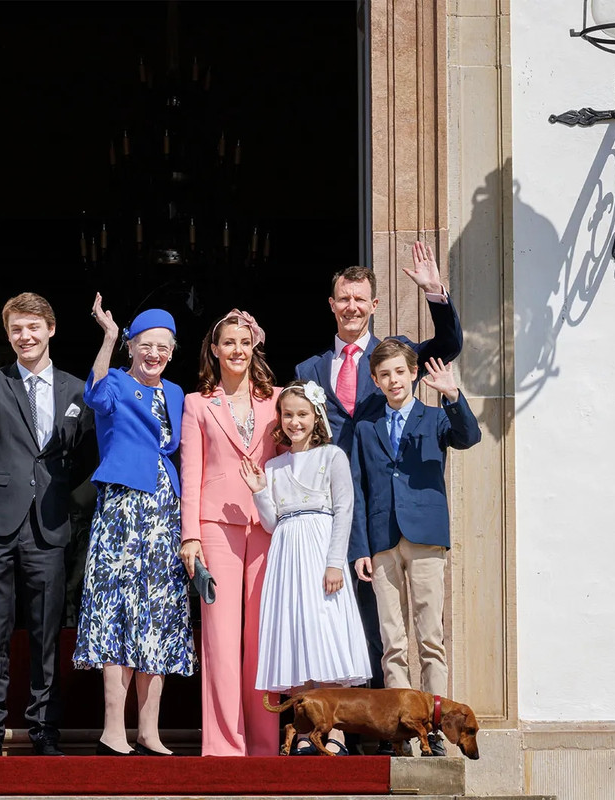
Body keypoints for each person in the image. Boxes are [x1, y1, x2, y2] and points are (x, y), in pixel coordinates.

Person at [293, 241, 463, 695]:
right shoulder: (309, 368)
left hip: (387, 510)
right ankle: (342, 724)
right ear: (332, 304)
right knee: (340, 618)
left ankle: (389, 733)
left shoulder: (396, 357)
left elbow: (448, 345)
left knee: (392, 627)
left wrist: (435, 295)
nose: (351, 307)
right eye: (342, 298)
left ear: (374, 304)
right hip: (329, 510)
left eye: (359, 299)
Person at [0, 292, 95, 757]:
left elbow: (88, 456)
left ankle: (43, 730)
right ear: (7, 335)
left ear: (50, 330)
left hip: (48, 526)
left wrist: (69, 504)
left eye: (33, 328)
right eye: (15, 329)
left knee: (45, 635)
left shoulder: (76, 389)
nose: (24, 336)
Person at [73, 294, 196, 757]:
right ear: (131, 345)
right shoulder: (118, 384)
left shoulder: (178, 393)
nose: (156, 354)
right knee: (117, 613)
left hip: (165, 513)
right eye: (147, 345)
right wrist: (106, 337)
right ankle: (112, 731)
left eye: (164, 347)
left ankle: (148, 731)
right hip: (123, 511)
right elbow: (93, 394)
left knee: (159, 616)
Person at [351, 340, 481, 757]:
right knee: (392, 639)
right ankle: (399, 732)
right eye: (384, 374)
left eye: (400, 373)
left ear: (413, 375)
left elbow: (469, 436)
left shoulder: (434, 417)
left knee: (430, 637)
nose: (393, 381)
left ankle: (435, 728)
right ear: (375, 380)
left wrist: (453, 395)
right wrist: (360, 548)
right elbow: (358, 486)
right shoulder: (365, 426)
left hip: (425, 536)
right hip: (383, 538)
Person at [244, 381, 371, 756]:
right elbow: (271, 523)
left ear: (316, 417)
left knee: (326, 632)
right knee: (297, 636)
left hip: (320, 549)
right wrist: (258, 490)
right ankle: (303, 732)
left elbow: (344, 510)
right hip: (287, 553)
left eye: (302, 414)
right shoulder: (274, 465)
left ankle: (337, 733)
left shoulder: (333, 457)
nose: (295, 422)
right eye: (288, 415)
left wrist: (335, 562)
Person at [178, 309, 282, 757]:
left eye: (245, 342)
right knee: (220, 635)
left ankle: (264, 743)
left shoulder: (278, 400)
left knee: (263, 634)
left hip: (268, 525)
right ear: (215, 350)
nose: (237, 350)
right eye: (229, 343)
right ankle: (223, 744)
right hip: (215, 526)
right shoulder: (196, 403)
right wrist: (190, 536)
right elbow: (191, 472)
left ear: (253, 345)